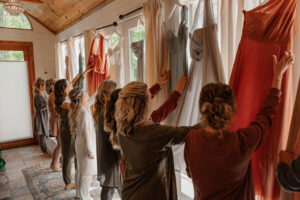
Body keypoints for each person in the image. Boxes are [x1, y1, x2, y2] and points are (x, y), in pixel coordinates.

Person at [183, 52, 294, 200]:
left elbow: (191, 173)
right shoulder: (242, 142)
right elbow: (266, 116)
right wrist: (277, 76)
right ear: (232, 113)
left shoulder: (191, 139)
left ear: (203, 111)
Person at [114, 76, 201, 200]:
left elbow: (123, 164)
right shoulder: (155, 134)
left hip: (129, 192)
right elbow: (189, 132)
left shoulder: (123, 129)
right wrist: (213, 116)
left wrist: (160, 87)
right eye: (150, 98)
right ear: (143, 106)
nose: (152, 101)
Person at [54, 68, 92, 190]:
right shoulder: (65, 103)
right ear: (65, 89)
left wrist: (85, 73)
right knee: (68, 156)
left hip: (72, 130)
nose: (72, 84)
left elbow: (75, 85)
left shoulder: (67, 98)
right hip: (68, 132)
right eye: (69, 84)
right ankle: (67, 182)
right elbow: (79, 106)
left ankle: (77, 178)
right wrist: (87, 98)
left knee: (75, 154)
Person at [93, 80, 121, 200]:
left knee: (116, 183)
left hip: (105, 151)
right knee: (110, 186)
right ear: (107, 94)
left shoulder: (100, 109)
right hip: (110, 152)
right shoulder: (107, 113)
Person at [69, 88, 97, 200]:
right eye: (85, 92)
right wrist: (90, 151)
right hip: (85, 145)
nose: (87, 93)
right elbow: (86, 135)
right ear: (81, 97)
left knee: (80, 170)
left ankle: (78, 194)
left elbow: (91, 100)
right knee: (87, 173)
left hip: (80, 143)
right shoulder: (84, 113)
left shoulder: (79, 108)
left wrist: (99, 89)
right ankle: (84, 197)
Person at [46, 79, 62, 172]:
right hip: (56, 120)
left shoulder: (53, 95)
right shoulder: (53, 95)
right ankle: (54, 164)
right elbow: (57, 110)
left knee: (61, 143)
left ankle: (61, 161)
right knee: (60, 144)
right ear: (52, 85)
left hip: (56, 119)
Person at [33, 77, 50, 157]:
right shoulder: (37, 96)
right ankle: (44, 151)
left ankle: (46, 149)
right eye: (43, 85)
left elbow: (48, 100)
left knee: (45, 132)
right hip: (40, 116)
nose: (44, 87)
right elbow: (41, 107)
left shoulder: (43, 93)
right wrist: (47, 105)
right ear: (40, 85)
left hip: (45, 115)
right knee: (42, 134)